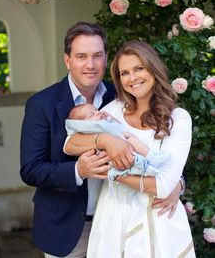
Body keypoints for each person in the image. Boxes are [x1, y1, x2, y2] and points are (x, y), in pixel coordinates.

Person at [20, 22, 182, 258]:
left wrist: (178, 183)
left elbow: (155, 142)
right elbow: (31, 169)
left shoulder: (122, 95)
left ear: (106, 59)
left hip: (120, 221)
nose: (90, 64)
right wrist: (78, 169)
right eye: (81, 56)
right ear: (67, 60)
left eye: (97, 55)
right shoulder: (41, 104)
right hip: (66, 228)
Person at [65, 40, 196, 257]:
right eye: (124, 73)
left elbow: (163, 186)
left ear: (153, 69)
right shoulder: (114, 110)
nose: (132, 78)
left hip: (158, 216)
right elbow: (69, 144)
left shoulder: (178, 119)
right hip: (113, 214)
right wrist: (105, 140)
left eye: (138, 68)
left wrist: (112, 175)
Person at [65, 103, 171, 185]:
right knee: (129, 150)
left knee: (131, 141)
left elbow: (117, 126)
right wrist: (104, 140)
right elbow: (68, 145)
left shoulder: (105, 117)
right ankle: (146, 166)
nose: (98, 112)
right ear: (82, 124)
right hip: (110, 158)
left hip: (124, 146)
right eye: (92, 114)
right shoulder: (90, 129)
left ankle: (151, 158)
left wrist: (111, 117)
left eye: (96, 110)